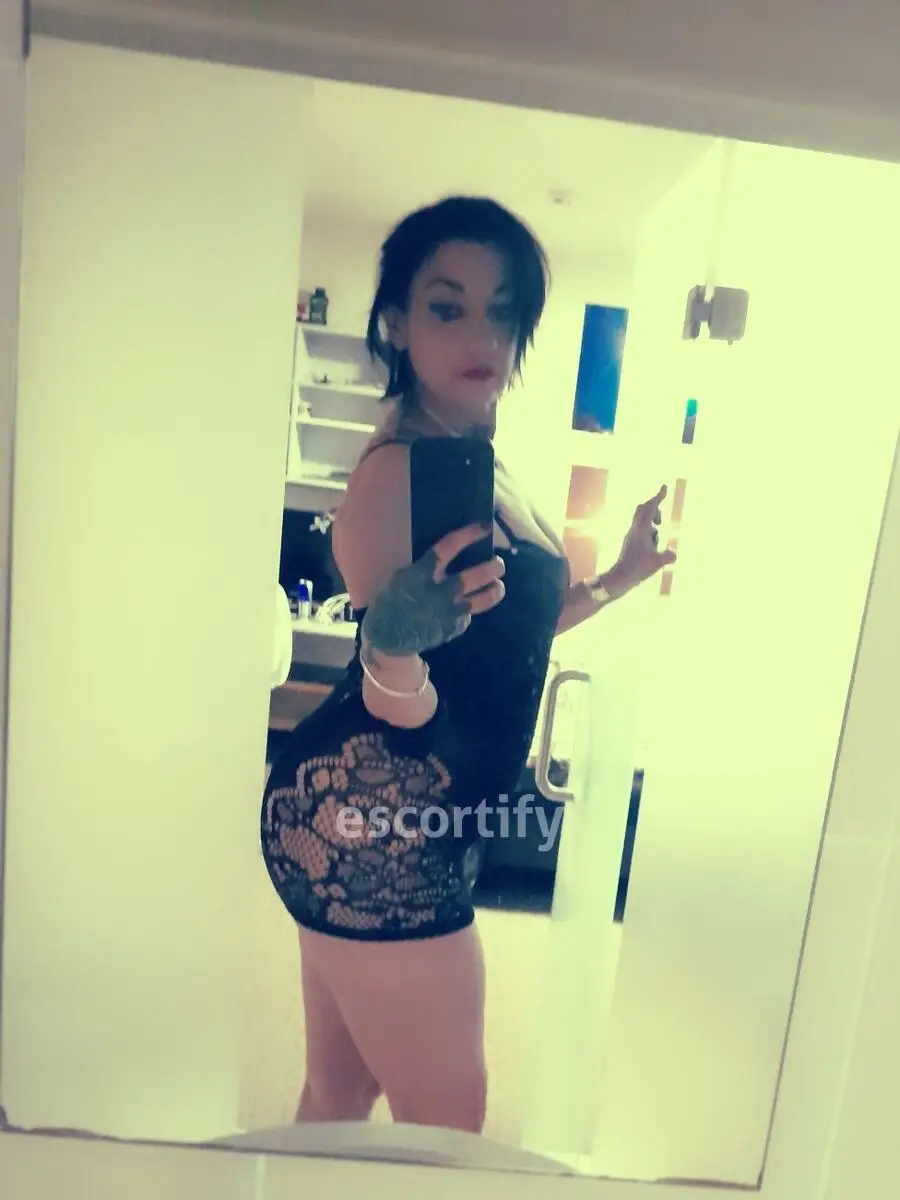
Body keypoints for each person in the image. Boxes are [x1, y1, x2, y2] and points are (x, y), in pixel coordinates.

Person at [261, 196, 675, 1134]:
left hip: (373, 808)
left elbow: (507, 643)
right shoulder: (399, 471)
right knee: (449, 1115)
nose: (481, 336)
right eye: (447, 307)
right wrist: (394, 646)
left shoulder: (477, 455)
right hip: (380, 818)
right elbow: (395, 695)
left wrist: (618, 577)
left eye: (502, 310)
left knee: (339, 1096)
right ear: (397, 324)